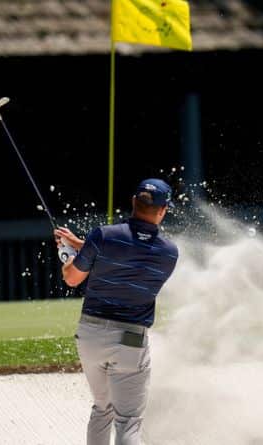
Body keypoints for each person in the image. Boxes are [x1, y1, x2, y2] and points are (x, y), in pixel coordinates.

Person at [55, 178, 179, 445]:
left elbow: (73, 278)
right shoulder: (169, 253)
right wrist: (81, 244)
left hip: (91, 336)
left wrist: (68, 256)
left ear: (134, 201)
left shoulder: (102, 236)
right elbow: (130, 255)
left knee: (102, 409)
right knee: (129, 421)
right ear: (163, 210)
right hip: (130, 341)